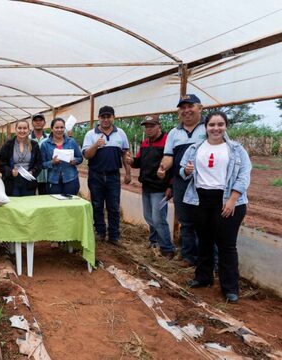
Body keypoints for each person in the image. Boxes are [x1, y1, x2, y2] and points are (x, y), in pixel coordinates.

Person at [180, 111, 251, 303]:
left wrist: (232, 199)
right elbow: (183, 170)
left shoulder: (236, 149)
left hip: (227, 199)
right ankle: (203, 277)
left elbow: (244, 174)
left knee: (227, 245)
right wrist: (186, 171)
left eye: (220, 124)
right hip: (200, 198)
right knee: (204, 240)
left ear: (226, 126)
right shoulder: (196, 148)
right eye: (212, 124)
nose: (216, 128)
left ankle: (230, 288)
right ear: (206, 127)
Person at [158, 94, 206, 267]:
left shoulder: (209, 128)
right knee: (185, 221)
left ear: (200, 108)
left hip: (205, 184)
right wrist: (163, 168)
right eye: (182, 107)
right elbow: (169, 156)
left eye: (190, 106)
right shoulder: (174, 133)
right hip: (181, 182)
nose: (186, 110)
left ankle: (208, 261)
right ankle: (188, 257)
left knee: (205, 222)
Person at [125, 115, 176, 258]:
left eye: (152, 126)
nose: (148, 129)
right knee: (149, 217)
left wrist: (170, 186)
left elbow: (173, 166)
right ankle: (154, 242)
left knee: (158, 218)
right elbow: (140, 162)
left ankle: (167, 249)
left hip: (160, 188)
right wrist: (132, 161)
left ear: (159, 126)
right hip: (146, 185)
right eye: (146, 126)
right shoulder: (145, 143)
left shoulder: (167, 142)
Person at [82, 106, 132, 245]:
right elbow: (87, 155)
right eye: (103, 117)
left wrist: (128, 173)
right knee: (97, 205)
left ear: (113, 118)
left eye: (108, 117)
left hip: (113, 176)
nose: (105, 119)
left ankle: (114, 235)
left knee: (114, 206)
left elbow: (125, 154)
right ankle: (100, 232)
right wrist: (95, 145)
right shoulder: (91, 134)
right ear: (99, 118)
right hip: (96, 175)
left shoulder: (120, 133)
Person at [0, 119, 43, 196]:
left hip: (28, 182)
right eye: (19, 128)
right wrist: (11, 172)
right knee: (14, 204)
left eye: (25, 128)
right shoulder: (8, 145)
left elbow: (39, 163)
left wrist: (33, 172)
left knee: (27, 205)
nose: (22, 131)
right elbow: (2, 164)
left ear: (29, 130)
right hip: (12, 181)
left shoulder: (34, 145)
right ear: (15, 130)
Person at [40, 118, 82, 195]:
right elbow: (42, 164)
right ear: (52, 129)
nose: (59, 130)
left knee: (71, 203)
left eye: (62, 127)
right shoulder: (45, 145)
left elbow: (80, 158)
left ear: (64, 128)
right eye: (57, 127)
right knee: (55, 204)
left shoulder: (71, 142)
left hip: (71, 178)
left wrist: (74, 161)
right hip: (53, 180)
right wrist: (52, 162)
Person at [29, 113, 49, 194]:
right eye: (35, 120)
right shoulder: (27, 138)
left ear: (44, 123)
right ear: (32, 123)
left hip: (46, 175)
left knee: (45, 200)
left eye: (40, 120)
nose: (38, 122)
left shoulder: (49, 138)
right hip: (31, 174)